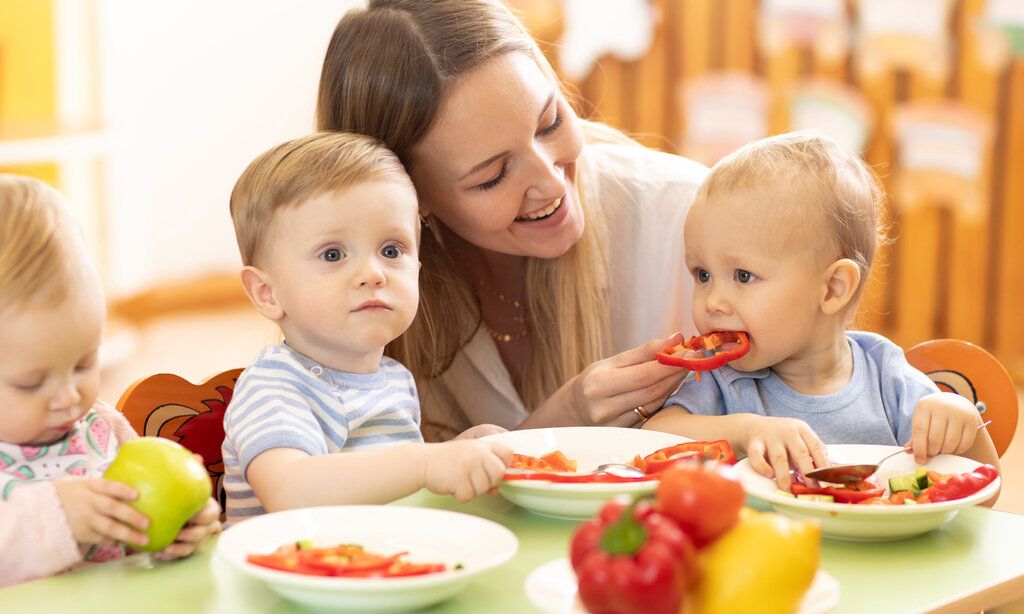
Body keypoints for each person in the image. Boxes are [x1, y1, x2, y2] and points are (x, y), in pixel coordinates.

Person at [315, 0, 709, 441]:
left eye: (550, 123)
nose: (552, 184)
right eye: (493, 176)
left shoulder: (688, 216)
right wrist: (567, 415)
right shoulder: (365, 289)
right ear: (410, 192)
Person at [643, 132, 1000, 490]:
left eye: (743, 276)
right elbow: (653, 436)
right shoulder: (722, 379)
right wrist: (745, 430)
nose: (712, 302)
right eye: (702, 275)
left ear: (832, 288)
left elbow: (983, 490)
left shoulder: (887, 376)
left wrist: (963, 423)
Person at [224, 132, 512, 525]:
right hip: (287, 562)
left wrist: (460, 455)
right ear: (267, 293)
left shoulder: (393, 379)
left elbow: (391, 489)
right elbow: (289, 491)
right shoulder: (274, 385)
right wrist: (426, 462)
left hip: (375, 557)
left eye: (391, 251)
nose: (373, 273)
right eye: (333, 254)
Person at [0, 174, 221, 587]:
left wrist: (184, 526)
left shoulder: (102, 430)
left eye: (83, 364)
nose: (69, 397)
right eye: (31, 383)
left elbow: (141, 524)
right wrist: (55, 518)